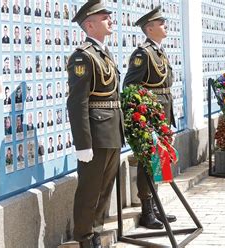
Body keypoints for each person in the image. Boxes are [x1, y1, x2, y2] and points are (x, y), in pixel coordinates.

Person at [67, 1, 124, 247]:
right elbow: (77, 102)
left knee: (104, 189)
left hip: (111, 130)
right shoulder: (83, 56)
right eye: (104, 18)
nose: (110, 20)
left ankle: (96, 231)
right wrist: (83, 143)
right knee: (90, 189)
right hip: (96, 133)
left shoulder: (104, 52)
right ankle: (85, 237)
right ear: (89, 24)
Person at [123, 5, 177, 230]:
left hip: (163, 111)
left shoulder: (159, 50)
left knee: (158, 161)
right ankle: (146, 211)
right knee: (148, 161)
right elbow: (130, 86)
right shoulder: (142, 53)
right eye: (161, 23)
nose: (166, 26)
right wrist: (146, 113)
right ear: (150, 28)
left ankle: (155, 207)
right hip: (151, 115)